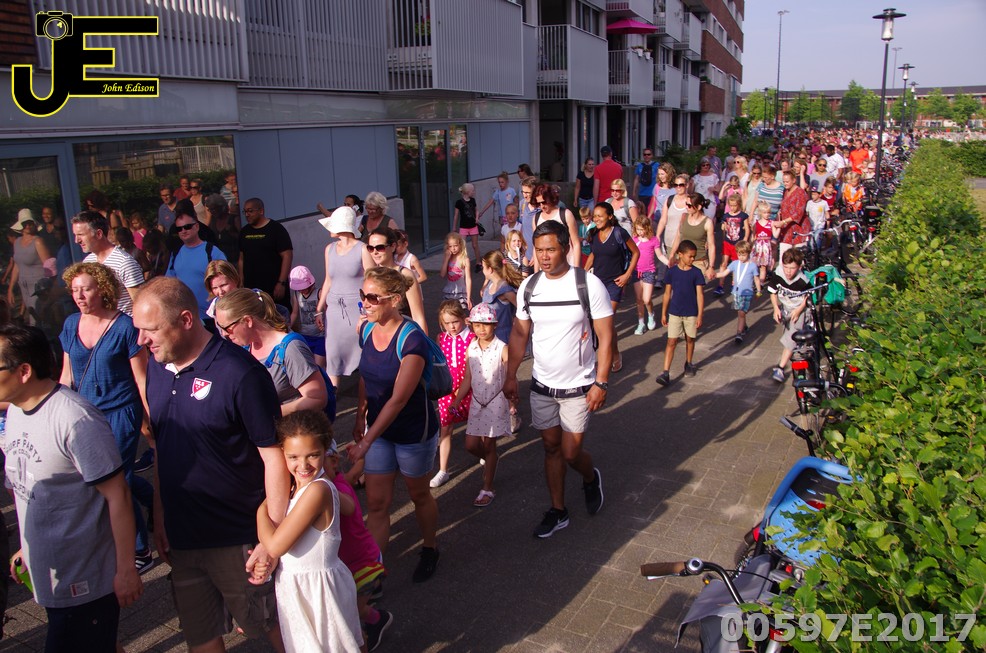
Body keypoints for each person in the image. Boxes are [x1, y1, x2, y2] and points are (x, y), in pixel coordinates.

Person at [133, 277, 289, 653]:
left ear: (186, 320)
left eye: (150, 329)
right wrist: (160, 516)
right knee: (201, 637)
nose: (141, 340)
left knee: (276, 628)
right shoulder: (157, 369)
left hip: (237, 538)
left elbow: (274, 457)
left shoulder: (240, 373)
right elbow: (162, 447)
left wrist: (271, 541)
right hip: (183, 539)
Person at [0, 324, 142, 652]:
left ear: (24, 371)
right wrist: (25, 546)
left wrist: (126, 569)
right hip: (50, 575)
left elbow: (118, 495)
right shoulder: (17, 411)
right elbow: (25, 488)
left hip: (85, 580)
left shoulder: (76, 419)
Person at [504, 220, 612, 539]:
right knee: (551, 448)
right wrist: (510, 375)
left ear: (565, 247)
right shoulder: (529, 287)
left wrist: (601, 381)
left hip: (579, 387)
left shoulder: (587, 284)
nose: (544, 256)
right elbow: (519, 333)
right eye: (539, 250)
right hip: (541, 385)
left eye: (550, 249)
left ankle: (590, 478)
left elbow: (606, 336)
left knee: (570, 452)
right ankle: (558, 510)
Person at [59, 261, 155, 574]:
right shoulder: (71, 324)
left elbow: (141, 378)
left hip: (120, 414)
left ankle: (140, 550)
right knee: (100, 475)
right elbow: (66, 375)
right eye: (74, 290)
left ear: (102, 289)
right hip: (85, 416)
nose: (79, 295)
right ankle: (152, 499)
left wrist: (150, 420)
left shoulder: (125, 327)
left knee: (117, 479)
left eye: (85, 289)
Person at [350, 267, 441, 583]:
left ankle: (429, 547)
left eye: (372, 297)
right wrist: (360, 416)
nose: (365, 303)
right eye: (362, 295)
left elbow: (398, 400)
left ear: (395, 299)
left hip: (413, 432)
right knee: (376, 503)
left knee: (419, 494)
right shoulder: (366, 330)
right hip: (379, 432)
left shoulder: (411, 339)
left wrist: (365, 442)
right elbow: (366, 376)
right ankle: (372, 575)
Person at [253, 411, 363, 653]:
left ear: (325, 451)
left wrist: (262, 509)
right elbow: (348, 506)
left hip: (319, 593)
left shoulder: (317, 491)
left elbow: (275, 546)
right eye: (293, 457)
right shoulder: (299, 488)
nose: (302, 466)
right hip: (302, 589)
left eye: (312, 455)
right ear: (282, 452)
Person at [320, 430, 392, 652]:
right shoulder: (338, 481)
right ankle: (376, 619)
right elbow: (353, 474)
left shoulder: (335, 489)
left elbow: (346, 506)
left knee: (349, 615)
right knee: (351, 609)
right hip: (351, 564)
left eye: (318, 463)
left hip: (363, 564)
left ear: (333, 462)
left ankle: (373, 626)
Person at [216, 288, 330, 417]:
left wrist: (268, 413)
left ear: (248, 321)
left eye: (227, 328)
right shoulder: (246, 347)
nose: (224, 334)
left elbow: (317, 399)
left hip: (292, 427)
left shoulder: (291, 349)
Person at [449, 303, 510, 507]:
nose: (481, 329)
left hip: (496, 401)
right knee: (471, 445)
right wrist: (457, 400)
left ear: (495, 325)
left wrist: (512, 399)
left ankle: (487, 487)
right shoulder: (472, 347)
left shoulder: (502, 348)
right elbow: (468, 377)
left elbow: (510, 376)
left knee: (489, 444)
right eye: (477, 325)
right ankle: (492, 460)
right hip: (477, 402)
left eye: (486, 324)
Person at [315, 207, 373, 389]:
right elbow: (328, 279)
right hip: (334, 309)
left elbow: (372, 281)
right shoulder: (329, 249)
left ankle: (368, 390)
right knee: (332, 352)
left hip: (357, 308)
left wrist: (368, 309)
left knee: (363, 350)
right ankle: (332, 394)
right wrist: (319, 308)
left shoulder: (362, 249)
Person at [583, 202, 639, 373]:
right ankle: (612, 353)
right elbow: (594, 254)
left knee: (606, 322)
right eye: (595, 216)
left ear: (609, 216)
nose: (596, 219)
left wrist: (627, 275)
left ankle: (610, 358)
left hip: (615, 283)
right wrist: (582, 273)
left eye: (600, 216)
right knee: (597, 323)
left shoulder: (619, 233)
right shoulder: (593, 233)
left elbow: (636, 252)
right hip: (597, 283)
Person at [430, 300, 472, 489]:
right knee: (446, 429)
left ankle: (485, 453)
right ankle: (443, 470)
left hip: (470, 388)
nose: (452, 327)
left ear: (463, 319)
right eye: (447, 323)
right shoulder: (441, 338)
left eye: (455, 321)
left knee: (476, 425)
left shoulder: (472, 337)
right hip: (447, 390)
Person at [72, 211, 144, 316]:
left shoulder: (124, 262)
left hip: (124, 324)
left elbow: (141, 303)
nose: (76, 240)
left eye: (81, 235)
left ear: (99, 234)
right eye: (75, 235)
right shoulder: (88, 262)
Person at [654, 240, 705, 387]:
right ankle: (665, 372)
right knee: (671, 341)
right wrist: (663, 313)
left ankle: (688, 363)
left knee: (690, 339)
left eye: (694, 256)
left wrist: (700, 315)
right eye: (690, 256)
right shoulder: (672, 272)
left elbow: (700, 295)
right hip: (675, 312)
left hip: (691, 313)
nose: (693, 259)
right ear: (680, 254)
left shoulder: (696, 273)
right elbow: (667, 294)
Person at [166, 211, 227, 331]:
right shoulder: (176, 253)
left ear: (197, 226)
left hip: (213, 318)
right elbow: (169, 284)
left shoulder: (212, 251)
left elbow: (228, 282)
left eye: (187, 227)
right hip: (187, 319)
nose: (183, 231)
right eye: (179, 229)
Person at [368, 227, 429, 334]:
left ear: (393, 246)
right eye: (370, 248)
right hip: (378, 334)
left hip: (402, 334)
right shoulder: (371, 275)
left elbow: (418, 316)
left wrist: (423, 342)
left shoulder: (405, 275)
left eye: (380, 247)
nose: (375, 252)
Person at [238, 197, 293, 310]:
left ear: (261, 211)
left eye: (250, 211)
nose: (247, 214)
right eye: (245, 211)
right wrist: (241, 281)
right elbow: (241, 258)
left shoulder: (276, 229)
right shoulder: (244, 232)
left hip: (273, 287)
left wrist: (281, 283)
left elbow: (287, 256)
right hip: (252, 290)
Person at [767, 249, 810, 383]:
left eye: (792, 268)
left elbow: (808, 297)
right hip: (785, 308)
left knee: (792, 338)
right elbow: (773, 292)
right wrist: (775, 308)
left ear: (799, 267)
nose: (788, 272)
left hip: (799, 310)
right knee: (789, 337)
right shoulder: (778, 274)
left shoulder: (803, 280)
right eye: (786, 267)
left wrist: (798, 310)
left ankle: (780, 368)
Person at [8, 211, 52, 325]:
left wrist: (49, 290)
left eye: (30, 223)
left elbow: (49, 266)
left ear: (34, 224)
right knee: (33, 316)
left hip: (38, 285)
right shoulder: (17, 242)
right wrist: (11, 288)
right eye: (24, 223)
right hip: (24, 285)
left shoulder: (38, 241)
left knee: (39, 319)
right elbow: (17, 265)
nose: (27, 226)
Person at [714, 240, 761, 344]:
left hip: (747, 293)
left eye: (743, 255)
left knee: (741, 312)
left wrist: (759, 291)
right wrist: (714, 275)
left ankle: (739, 334)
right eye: (739, 255)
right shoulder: (735, 264)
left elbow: (756, 279)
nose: (741, 257)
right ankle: (744, 326)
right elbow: (724, 273)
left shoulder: (752, 266)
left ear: (748, 253)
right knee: (740, 312)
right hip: (736, 292)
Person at [630, 216, 668, 335]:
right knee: (639, 299)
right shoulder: (634, 239)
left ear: (647, 228)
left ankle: (651, 314)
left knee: (646, 299)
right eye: (638, 229)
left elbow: (659, 255)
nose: (640, 232)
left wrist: (669, 263)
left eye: (642, 229)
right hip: (636, 272)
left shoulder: (653, 240)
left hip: (649, 272)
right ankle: (641, 323)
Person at [668, 194, 716, 282]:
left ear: (698, 207)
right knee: (680, 287)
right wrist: (672, 255)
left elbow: (711, 245)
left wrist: (711, 267)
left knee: (694, 289)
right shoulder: (684, 217)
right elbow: (678, 237)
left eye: (689, 205)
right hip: (682, 261)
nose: (686, 207)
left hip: (699, 261)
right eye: (686, 204)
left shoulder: (707, 222)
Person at [532, 183, 581, 269]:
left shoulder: (565, 214)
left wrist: (576, 269)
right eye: (539, 203)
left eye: (544, 202)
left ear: (551, 198)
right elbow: (536, 246)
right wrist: (536, 271)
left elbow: (576, 243)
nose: (542, 206)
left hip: (567, 264)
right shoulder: (536, 218)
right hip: (545, 267)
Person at [288, 264, 326, 368]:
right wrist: (287, 327)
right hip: (305, 335)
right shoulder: (296, 295)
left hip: (320, 336)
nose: (301, 291)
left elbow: (327, 311)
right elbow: (295, 313)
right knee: (308, 365)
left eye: (303, 288)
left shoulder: (319, 293)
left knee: (319, 367)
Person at [715, 193, 749, 296]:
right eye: (731, 205)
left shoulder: (743, 216)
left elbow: (747, 229)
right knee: (723, 263)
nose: (733, 208)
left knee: (735, 264)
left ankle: (734, 284)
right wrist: (723, 227)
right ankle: (720, 285)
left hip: (737, 243)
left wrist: (745, 240)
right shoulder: (726, 216)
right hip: (727, 242)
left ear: (739, 204)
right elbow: (723, 227)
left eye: (735, 205)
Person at [656, 174, 690, 266]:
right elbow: (663, 219)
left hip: (685, 242)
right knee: (673, 268)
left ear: (687, 185)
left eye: (681, 185)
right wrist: (658, 235)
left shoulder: (690, 201)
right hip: (669, 241)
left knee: (686, 268)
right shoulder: (670, 199)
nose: (678, 187)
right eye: (676, 185)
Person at [775, 171, 810, 260]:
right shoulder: (785, 192)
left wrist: (784, 221)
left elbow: (799, 212)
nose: (785, 184)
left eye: (787, 182)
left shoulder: (800, 192)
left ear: (794, 180)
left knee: (798, 258)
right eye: (784, 182)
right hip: (786, 229)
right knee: (784, 257)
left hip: (798, 229)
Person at [453, 183, 482, 270]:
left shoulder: (473, 200)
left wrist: (477, 218)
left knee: (475, 245)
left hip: (473, 226)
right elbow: (456, 216)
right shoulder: (459, 202)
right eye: (472, 190)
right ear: (467, 192)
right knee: (462, 245)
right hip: (463, 227)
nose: (474, 192)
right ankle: (462, 262)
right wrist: (454, 227)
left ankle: (478, 262)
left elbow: (476, 210)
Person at [440, 232, 472, 309]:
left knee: (460, 313)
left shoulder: (465, 259)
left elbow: (468, 279)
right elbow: (442, 274)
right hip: (449, 292)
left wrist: (468, 297)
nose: (453, 249)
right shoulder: (448, 258)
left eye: (455, 246)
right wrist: (446, 259)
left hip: (461, 293)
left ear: (460, 244)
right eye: (450, 246)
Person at [751, 200, 779, 283]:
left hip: (766, 247)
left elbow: (775, 235)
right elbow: (753, 236)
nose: (767, 214)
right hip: (757, 246)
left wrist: (779, 226)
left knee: (763, 267)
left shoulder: (771, 223)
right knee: (754, 266)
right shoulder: (756, 224)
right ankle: (754, 282)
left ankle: (761, 283)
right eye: (765, 213)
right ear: (760, 213)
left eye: (768, 212)